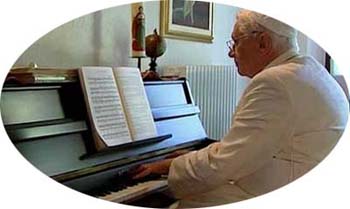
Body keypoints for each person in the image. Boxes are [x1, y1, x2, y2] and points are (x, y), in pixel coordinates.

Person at [131, 10, 349, 208]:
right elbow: (249, 148)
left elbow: (224, 164)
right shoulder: (310, 70)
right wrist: (194, 157)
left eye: (235, 42)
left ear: (263, 43)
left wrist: (171, 165)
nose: (231, 53)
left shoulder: (274, 82)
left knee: (189, 202)